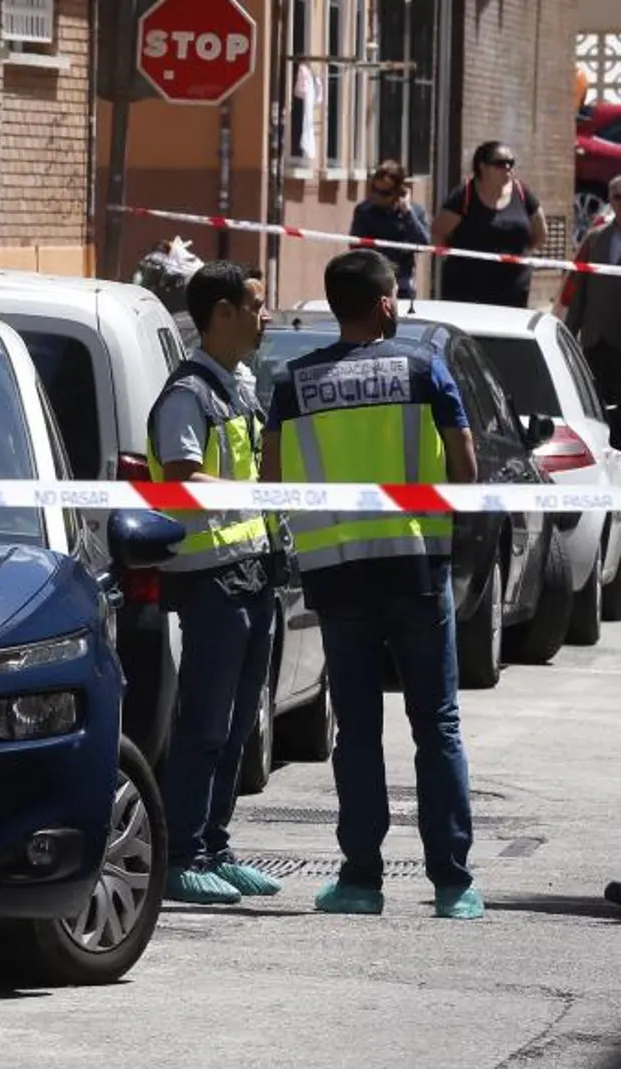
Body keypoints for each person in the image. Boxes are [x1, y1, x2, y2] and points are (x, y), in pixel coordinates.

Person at [261, 249, 484, 920]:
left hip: (337, 576)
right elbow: (466, 468)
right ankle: (452, 883)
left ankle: (360, 877)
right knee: (436, 724)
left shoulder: (294, 383)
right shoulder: (424, 368)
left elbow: (271, 482)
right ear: (387, 303)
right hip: (416, 570)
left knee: (355, 728)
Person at [144, 260, 286, 905]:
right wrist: (256, 491)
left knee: (237, 727)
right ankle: (182, 855)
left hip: (252, 570)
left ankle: (217, 845)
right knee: (204, 722)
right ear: (221, 312)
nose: (266, 315)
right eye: (256, 304)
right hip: (209, 579)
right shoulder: (188, 395)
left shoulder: (236, 388)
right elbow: (180, 478)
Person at [431, 140, 546, 308]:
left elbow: (540, 235)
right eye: (500, 163)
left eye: (510, 163)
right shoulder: (465, 195)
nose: (507, 167)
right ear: (482, 167)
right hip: (466, 291)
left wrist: (520, 255)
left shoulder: (521, 192)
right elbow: (438, 233)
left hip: (513, 291)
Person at [562, 174, 621, 447]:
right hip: (595, 339)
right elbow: (578, 290)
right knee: (595, 404)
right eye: (618, 197)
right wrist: (568, 334)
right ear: (610, 201)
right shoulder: (596, 238)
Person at [350, 160, 432, 300]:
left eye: (385, 193)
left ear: (398, 192)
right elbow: (356, 245)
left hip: (402, 285)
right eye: (374, 190)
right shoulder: (364, 211)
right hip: (371, 281)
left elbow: (423, 243)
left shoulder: (414, 212)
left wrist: (407, 214)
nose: (378, 196)